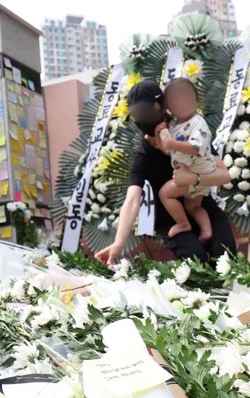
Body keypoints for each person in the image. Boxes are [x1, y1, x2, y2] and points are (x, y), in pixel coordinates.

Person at [95, 80, 236, 265]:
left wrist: (194, 178)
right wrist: (118, 244)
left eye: (147, 110)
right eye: (137, 113)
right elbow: (132, 201)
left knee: (225, 254)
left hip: (200, 205)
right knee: (194, 259)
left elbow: (223, 175)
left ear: (163, 106)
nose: (143, 117)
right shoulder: (143, 155)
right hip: (171, 220)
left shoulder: (188, 130)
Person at [155, 78, 216, 240]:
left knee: (165, 194)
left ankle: (183, 224)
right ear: (168, 107)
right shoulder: (174, 125)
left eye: (186, 98)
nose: (182, 103)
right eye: (177, 100)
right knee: (193, 206)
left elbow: (196, 148)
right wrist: (159, 136)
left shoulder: (198, 122)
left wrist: (174, 143)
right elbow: (168, 150)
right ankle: (206, 230)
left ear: (196, 101)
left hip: (197, 171)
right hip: (191, 174)